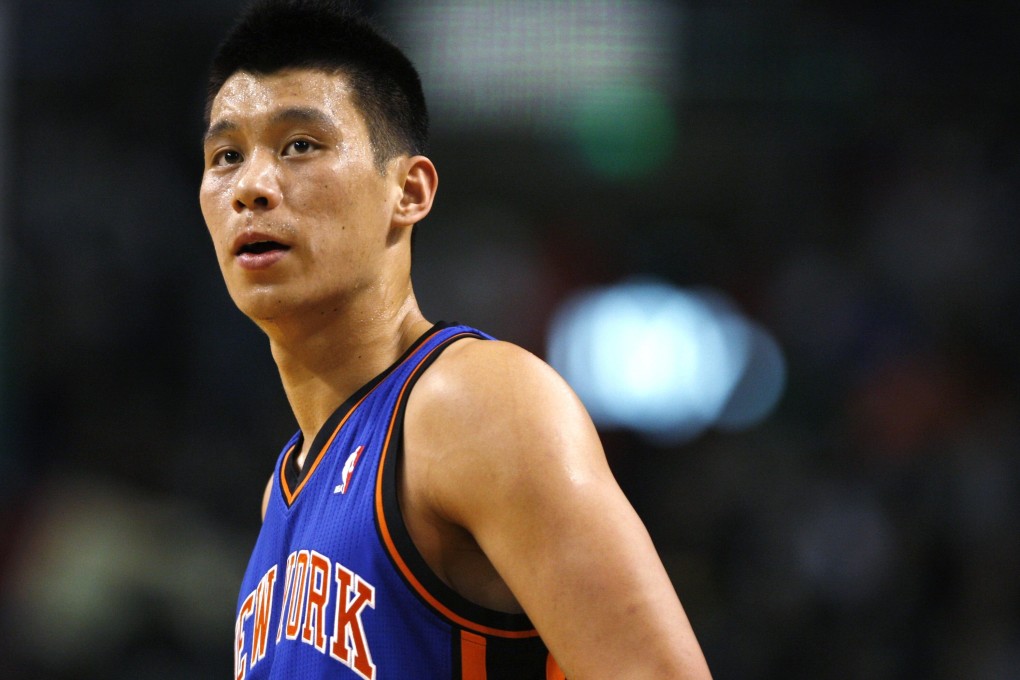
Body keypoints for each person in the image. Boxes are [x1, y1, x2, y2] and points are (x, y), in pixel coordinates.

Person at [200, 1, 713, 678]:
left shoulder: (474, 404)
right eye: (227, 155)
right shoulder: (284, 489)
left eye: (300, 145)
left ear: (408, 190)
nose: (252, 187)